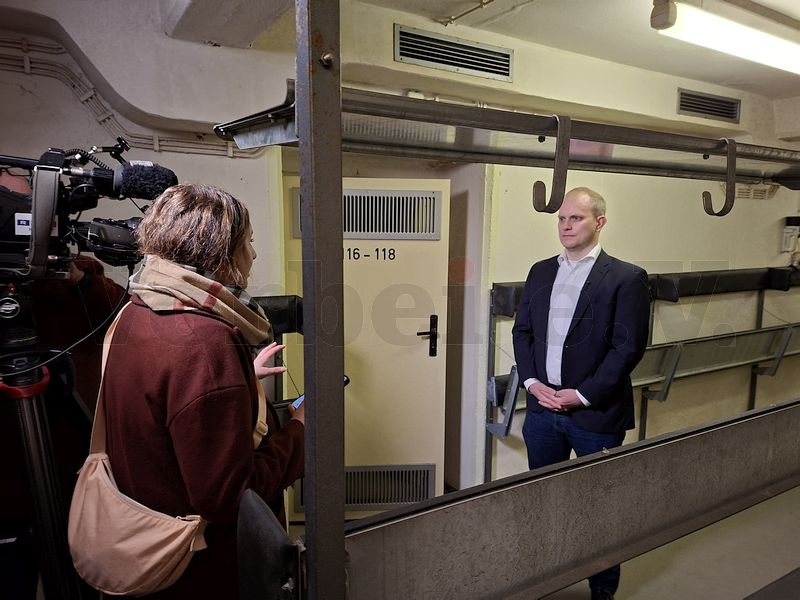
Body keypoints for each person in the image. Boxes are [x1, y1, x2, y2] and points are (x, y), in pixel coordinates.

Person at [101, 183, 304, 599]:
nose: (254, 254)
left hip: (145, 536)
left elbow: (167, 400)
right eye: (247, 242)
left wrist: (239, 379)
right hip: (201, 568)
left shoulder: (138, 311)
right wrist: (300, 430)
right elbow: (228, 499)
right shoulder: (204, 343)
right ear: (222, 256)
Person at [511, 186, 651, 600]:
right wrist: (533, 384)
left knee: (598, 508)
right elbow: (523, 332)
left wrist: (582, 395)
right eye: (561, 218)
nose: (566, 226)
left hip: (595, 416)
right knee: (543, 499)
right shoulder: (541, 271)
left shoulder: (627, 278)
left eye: (576, 218)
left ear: (599, 223)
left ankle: (602, 590)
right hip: (542, 412)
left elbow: (627, 348)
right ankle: (542, 578)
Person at [1, 166, 128, 599]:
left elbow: (117, 319)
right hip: (8, 486)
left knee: (82, 581)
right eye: (22, 212)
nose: (41, 224)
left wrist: (77, 278)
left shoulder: (75, 273)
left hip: (73, 469)